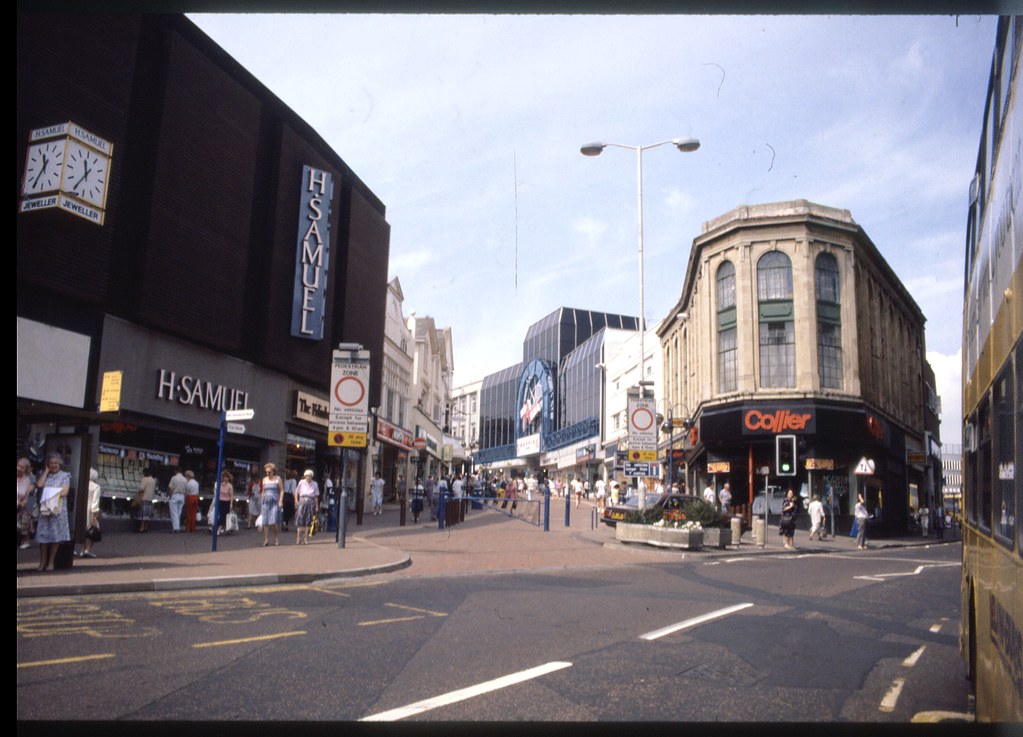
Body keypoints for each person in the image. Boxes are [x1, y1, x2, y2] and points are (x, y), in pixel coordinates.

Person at [35, 454, 70, 572]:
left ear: (59, 464)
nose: (54, 465)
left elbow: (65, 492)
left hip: (57, 510)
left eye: (56, 463)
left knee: (56, 536)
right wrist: (46, 472)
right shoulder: (46, 475)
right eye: (51, 463)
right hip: (45, 510)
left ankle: (51, 562)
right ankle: (42, 562)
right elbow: (39, 485)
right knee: (43, 535)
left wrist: (50, 493)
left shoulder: (65, 476)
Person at [79, 468, 102, 558]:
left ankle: (81, 549)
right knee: (95, 529)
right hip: (91, 509)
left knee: (83, 528)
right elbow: (95, 501)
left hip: (82, 508)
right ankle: (89, 549)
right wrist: (96, 513)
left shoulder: (82, 484)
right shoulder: (96, 487)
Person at [259, 463, 283, 546]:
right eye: (266, 472)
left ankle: (276, 538)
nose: (267, 474)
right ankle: (266, 539)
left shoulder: (277, 479)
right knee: (265, 521)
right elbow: (263, 490)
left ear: (273, 472)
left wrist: (280, 501)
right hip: (266, 501)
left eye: (269, 472)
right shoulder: (264, 479)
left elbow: (281, 490)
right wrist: (262, 498)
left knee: (274, 521)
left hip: (274, 501)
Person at [294, 469, 319, 545]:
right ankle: (298, 538)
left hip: (310, 501)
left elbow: (316, 496)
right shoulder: (301, 482)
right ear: (305, 476)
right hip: (302, 500)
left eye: (310, 476)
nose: (308, 477)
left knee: (308, 520)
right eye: (307, 476)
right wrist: (296, 500)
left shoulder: (315, 484)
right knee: (300, 520)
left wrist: (316, 506)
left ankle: (306, 539)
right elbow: (296, 491)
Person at [17, 457, 36, 550]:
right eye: (18, 466)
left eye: (22, 467)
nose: (19, 469)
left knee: (23, 525)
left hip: (24, 505)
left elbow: (30, 489)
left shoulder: (30, 478)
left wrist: (25, 498)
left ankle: (26, 539)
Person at [137, 467, 157, 533]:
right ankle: (146, 527)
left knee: (143, 514)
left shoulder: (145, 479)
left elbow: (141, 488)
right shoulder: (153, 480)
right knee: (148, 514)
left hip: (144, 498)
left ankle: (141, 528)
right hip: (150, 498)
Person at [167, 468, 187, 533]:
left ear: (176, 471)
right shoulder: (185, 479)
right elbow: (186, 490)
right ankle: (177, 526)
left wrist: (170, 496)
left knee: (174, 512)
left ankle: (176, 528)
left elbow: (170, 488)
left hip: (175, 495)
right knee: (179, 512)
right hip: (182, 496)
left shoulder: (173, 478)